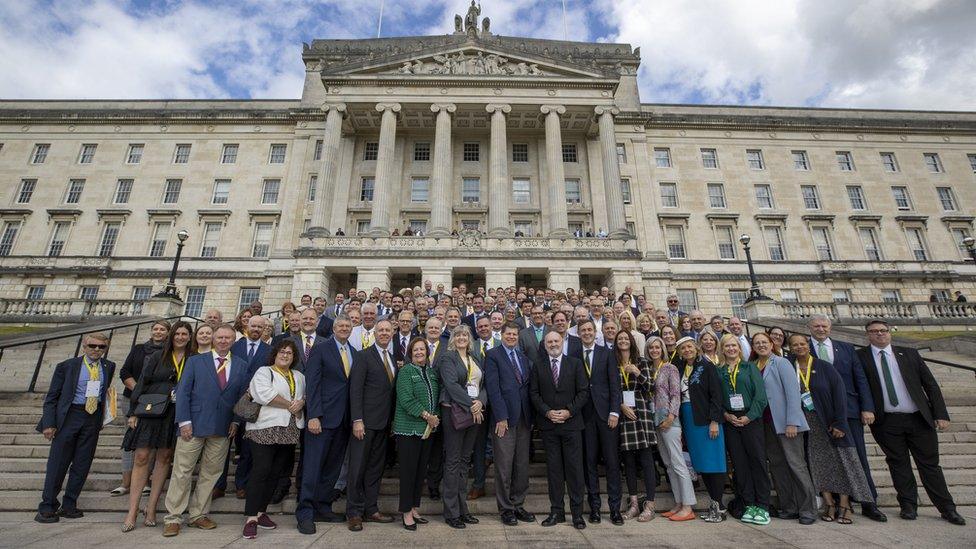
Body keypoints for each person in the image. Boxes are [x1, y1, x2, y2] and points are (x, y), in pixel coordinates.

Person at [856, 320, 966, 525]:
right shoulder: (860, 357)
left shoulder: (909, 354)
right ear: (867, 335)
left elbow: (930, 384)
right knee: (898, 464)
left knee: (930, 465)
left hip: (918, 418)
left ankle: (947, 508)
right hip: (885, 420)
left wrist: (940, 414)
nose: (879, 334)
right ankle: (908, 505)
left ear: (890, 333)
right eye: (874, 331)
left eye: (883, 331)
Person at [163, 324, 250, 537]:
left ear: (233, 341)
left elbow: (241, 397)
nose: (223, 341)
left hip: (222, 427)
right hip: (193, 425)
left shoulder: (240, 364)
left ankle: (198, 514)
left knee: (211, 473)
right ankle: (173, 517)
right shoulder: (195, 361)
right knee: (182, 471)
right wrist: (183, 421)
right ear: (213, 339)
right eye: (219, 337)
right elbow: (183, 392)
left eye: (228, 338)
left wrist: (236, 421)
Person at [787, 334, 874, 525]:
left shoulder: (823, 366)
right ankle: (829, 503)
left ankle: (845, 503)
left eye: (802, 344)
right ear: (790, 348)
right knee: (818, 464)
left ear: (808, 345)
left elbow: (840, 395)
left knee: (842, 462)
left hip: (828, 420)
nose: (799, 347)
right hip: (805, 423)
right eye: (795, 345)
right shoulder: (789, 366)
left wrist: (840, 422)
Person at [806, 315, 885, 522]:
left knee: (857, 456)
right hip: (818, 413)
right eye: (816, 326)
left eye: (824, 325)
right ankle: (835, 502)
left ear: (830, 327)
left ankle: (869, 502)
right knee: (827, 459)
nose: (820, 329)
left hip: (849, 410)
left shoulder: (846, 348)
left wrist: (867, 407)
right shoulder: (802, 348)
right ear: (809, 328)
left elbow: (860, 379)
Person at [35, 333, 116, 524]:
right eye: (93, 346)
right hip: (70, 415)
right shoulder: (67, 366)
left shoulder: (108, 366)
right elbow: (52, 396)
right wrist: (49, 423)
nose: (97, 350)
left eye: (101, 347)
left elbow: (104, 392)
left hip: (92, 417)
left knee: (82, 463)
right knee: (58, 463)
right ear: (84, 346)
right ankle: (47, 506)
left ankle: (69, 503)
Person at [121, 321, 191, 532]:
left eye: (184, 334)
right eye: (177, 333)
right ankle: (132, 510)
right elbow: (142, 382)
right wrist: (133, 411)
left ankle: (151, 508)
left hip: (175, 414)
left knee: (164, 458)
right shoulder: (157, 356)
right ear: (172, 336)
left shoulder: (194, 359)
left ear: (190, 337)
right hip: (152, 411)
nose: (180, 337)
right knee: (142, 457)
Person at [296, 315, 355, 534]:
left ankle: (323, 506)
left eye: (348, 326)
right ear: (333, 328)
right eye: (340, 325)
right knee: (312, 467)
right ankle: (305, 512)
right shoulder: (321, 349)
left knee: (332, 468)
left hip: (343, 421)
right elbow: (313, 382)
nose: (344, 329)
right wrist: (313, 415)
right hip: (321, 419)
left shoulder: (354, 353)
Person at [751, 331, 817, 525]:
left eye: (764, 342)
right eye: (757, 343)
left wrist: (792, 422)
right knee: (778, 466)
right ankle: (789, 507)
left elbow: (793, 393)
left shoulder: (781, 363)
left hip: (785, 423)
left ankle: (808, 509)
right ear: (753, 348)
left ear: (772, 344)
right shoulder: (754, 366)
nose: (761, 345)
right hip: (765, 424)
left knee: (796, 466)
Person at [242, 340, 306, 539]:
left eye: (289, 353)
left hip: (289, 429)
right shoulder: (264, 372)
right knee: (261, 471)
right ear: (275, 354)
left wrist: (301, 402)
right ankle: (251, 518)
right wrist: (290, 404)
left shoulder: (299, 376)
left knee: (275, 472)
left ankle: (261, 512)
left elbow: (303, 396)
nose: (285, 355)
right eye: (282, 352)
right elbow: (264, 395)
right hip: (264, 428)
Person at [531, 331, 589, 530]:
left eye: (556, 340)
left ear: (562, 342)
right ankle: (557, 512)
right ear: (544, 344)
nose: (553, 344)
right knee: (554, 471)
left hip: (571, 425)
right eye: (549, 341)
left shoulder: (575, 363)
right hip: (549, 426)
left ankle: (577, 514)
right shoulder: (538, 365)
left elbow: (583, 392)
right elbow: (534, 393)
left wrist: (568, 412)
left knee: (574, 471)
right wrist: (547, 413)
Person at [346, 319, 397, 531]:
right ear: (374, 333)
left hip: (383, 425)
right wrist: (357, 419)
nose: (384, 333)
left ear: (392, 334)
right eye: (381, 330)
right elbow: (355, 390)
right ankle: (354, 512)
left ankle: (371, 508)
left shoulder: (393, 359)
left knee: (375, 469)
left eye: (387, 330)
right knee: (357, 468)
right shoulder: (363, 356)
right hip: (364, 424)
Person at [484, 322, 536, 526]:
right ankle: (505, 509)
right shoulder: (493, 355)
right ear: (502, 335)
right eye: (509, 334)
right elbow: (493, 388)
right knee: (504, 466)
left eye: (515, 334)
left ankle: (518, 504)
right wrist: (501, 417)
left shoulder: (523, 357)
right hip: (504, 419)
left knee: (521, 465)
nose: (512, 337)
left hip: (524, 418)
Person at [716, 334, 770, 526]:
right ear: (722, 349)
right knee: (740, 464)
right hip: (731, 421)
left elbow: (760, 397)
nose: (731, 349)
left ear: (739, 347)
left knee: (757, 461)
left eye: (734, 345)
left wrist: (749, 416)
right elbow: (716, 398)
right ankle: (748, 503)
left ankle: (763, 504)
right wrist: (725, 415)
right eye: (727, 346)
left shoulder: (750, 368)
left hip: (750, 419)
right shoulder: (719, 371)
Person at [436, 325, 486, 528]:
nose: (461, 337)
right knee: (453, 461)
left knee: (465, 461)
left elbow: (483, 385)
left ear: (470, 338)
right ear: (453, 338)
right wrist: (471, 405)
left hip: (473, 412)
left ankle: (462, 508)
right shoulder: (448, 358)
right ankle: (451, 512)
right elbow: (451, 385)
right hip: (454, 412)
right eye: (458, 335)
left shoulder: (475, 358)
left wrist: (480, 402)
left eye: (465, 334)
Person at [113, 320, 169, 497]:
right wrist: (139, 389)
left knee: (149, 442)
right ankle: (125, 482)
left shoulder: (168, 353)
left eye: (162, 329)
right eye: (155, 329)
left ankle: (145, 481)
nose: (158, 332)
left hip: (155, 402)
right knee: (130, 441)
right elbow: (125, 372)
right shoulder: (138, 349)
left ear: (168, 333)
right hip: (132, 398)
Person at [675, 336, 727, 523]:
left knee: (714, 463)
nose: (687, 350)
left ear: (696, 348)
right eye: (683, 348)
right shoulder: (681, 368)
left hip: (706, 419)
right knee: (702, 464)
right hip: (689, 418)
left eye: (689, 347)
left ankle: (719, 506)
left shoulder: (707, 366)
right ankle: (714, 505)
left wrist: (714, 421)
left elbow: (716, 395)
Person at [577, 319, 623, 525]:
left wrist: (615, 411)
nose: (586, 333)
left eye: (589, 330)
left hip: (607, 416)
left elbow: (615, 385)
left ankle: (615, 509)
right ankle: (594, 507)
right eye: (583, 330)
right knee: (589, 463)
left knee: (612, 462)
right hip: (584, 417)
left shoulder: (606, 353)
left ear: (595, 333)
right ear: (578, 334)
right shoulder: (573, 355)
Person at [645, 336, 695, 521]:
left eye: (658, 347)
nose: (654, 350)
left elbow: (676, 394)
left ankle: (688, 505)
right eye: (651, 348)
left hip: (668, 420)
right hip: (655, 420)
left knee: (678, 462)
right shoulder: (650, 370)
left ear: (663, 349)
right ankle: (678, 502)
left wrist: (672, 416)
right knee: (667, 464)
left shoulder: (669, 368)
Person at [393, 337, 441, 531]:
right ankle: (405, 511)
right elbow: (406, 398)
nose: (420, 353)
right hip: (408, 430)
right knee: (408, 472)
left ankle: (414, 507)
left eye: (422, 349)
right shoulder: (405, 372)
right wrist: (427, 415)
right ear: (410, 354)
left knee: (421, 472)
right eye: (416, 350)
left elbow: (436, 396)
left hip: (427, 431)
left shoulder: (431, 372)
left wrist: (435, 416)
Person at [614, 330, 656, 522]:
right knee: (628, 462)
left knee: (647, 461)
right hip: (623, 414)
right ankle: (633, 504)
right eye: (619, 339)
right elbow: (610, 389)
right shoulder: (613, 364)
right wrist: (620, 406)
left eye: (626, 339)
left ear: (631, 342)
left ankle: (650, 504)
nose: (623, 341)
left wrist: (638, 374)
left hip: (641, 414)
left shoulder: (643, 362)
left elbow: (651, 388)